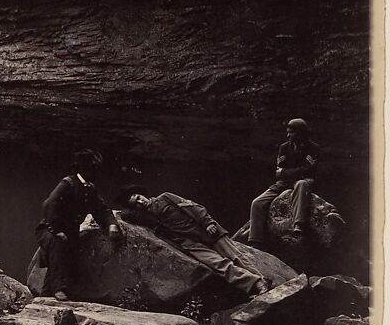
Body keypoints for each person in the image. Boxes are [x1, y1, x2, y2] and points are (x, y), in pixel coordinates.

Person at [120, 186, 269, 296]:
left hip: (206, 230)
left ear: (143, 194)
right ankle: (254, 284)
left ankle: (263, 282)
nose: (141, 201)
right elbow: (125, 215)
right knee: (219, 265)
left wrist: (208, 223)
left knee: (236, 257)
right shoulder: (146, 217)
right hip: (190, 244)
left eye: (139, 197)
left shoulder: (165, 197)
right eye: (136, 203)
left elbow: (194, 207)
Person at [35, 150, 121, 301]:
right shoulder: (68, 183)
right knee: (58, 243)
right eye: (93, 168)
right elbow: (48, 205)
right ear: (84, 168)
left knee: (76, 256)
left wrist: (111, 224)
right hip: (49, 229)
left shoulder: (89, 189)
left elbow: (102, 210)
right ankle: (58, 289)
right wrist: (57, 230)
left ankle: (46, 294)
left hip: (71, 232)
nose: (96, 172)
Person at [247, 118, 320, 246]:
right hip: (284, 183)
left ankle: (298, 225)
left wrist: (286, 172)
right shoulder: (284, 147)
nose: (288, 135)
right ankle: (255, 240)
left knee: (302, 184)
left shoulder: (313, 148)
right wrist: (295, 172)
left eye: (291, 132)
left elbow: (307, 169)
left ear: (300, 133)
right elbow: (278, 172)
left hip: (301, 182)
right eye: (288, 132)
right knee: (257, 203)